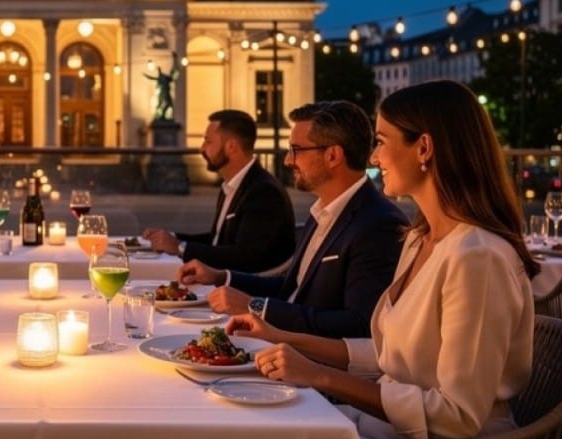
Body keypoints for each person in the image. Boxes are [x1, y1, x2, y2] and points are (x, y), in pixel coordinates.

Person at [228, 80, 539, 439]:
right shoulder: (419, 239)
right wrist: (280, 337)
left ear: (424, 148)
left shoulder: (477, 258)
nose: (373, 159)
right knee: (246, 424)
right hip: (387, 433)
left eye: (380, 142)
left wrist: (319, 375)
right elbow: (389, 355)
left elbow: (457, 416)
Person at [178, 101, 407, 338]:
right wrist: (221, 277)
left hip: (302, 354)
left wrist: (256, 307)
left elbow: (360, 325)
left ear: (332, 155)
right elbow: (293, 286)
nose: (288, 160)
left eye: (295, 149)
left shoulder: (378, 225)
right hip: (280, 339)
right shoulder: (322, 211)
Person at [142, 109, 295, 271]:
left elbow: (245, 258)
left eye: (208, 142)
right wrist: (171, 238)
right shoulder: (232, 185)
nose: (201, 149)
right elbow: (217, 240)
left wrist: (179, 246)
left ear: (231, 147)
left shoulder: (264, 192)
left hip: (241, 284)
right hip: (222, 276)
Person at [142, 52, 180, 121]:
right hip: (163, 95)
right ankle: (161, 116)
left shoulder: (165, 78)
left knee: (168, 105)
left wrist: (175, 59)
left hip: (165, 95)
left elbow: (174, 72)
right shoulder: (163, 78)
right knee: (165, 105)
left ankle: (162, 116)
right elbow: (152, 78)